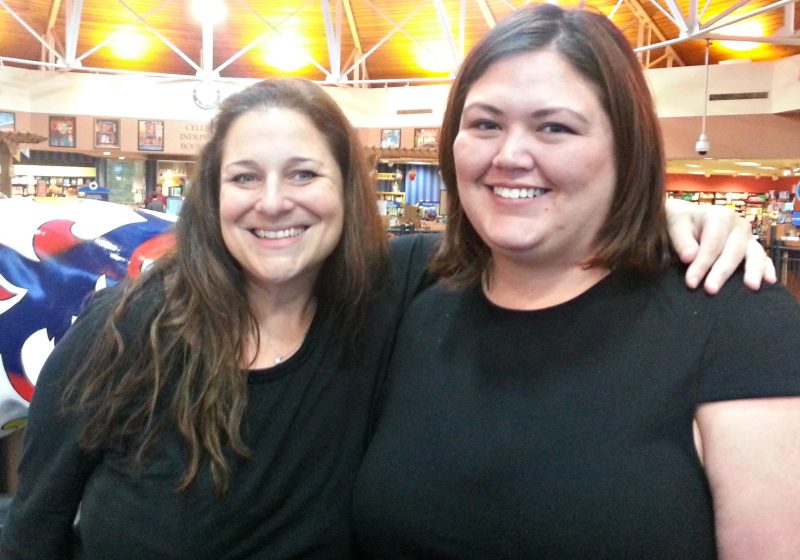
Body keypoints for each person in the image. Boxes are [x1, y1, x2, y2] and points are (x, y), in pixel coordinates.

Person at [0, 80, 778, 558]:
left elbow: (532, 229)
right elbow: (34, 529)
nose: (273, 202)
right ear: (211, 195)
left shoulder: (390, 290)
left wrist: (667, 217)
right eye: (244, 177)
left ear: (347, 191)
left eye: (304, 173)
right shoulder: (125, 332)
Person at [353, 5, 800, 559]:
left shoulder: (734, 319)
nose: (509, 155)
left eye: (555, 128)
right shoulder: (410, 289)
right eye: (486, 124)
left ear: (625, 148)